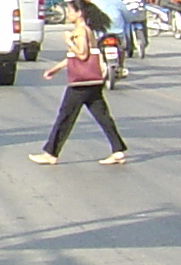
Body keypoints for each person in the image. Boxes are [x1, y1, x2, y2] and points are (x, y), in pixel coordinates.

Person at [32, 15, 128, 165]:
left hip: (80, 84)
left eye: (71, 11)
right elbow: (74, 57)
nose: (68, 14)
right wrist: (55, 69)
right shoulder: (87, 30)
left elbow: (82, 54)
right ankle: (117, 150)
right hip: (92, 81)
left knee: (65, 117)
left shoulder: (80, 31)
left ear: (79, 13)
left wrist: (69, 41)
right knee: (102, 116)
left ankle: (51, 153)